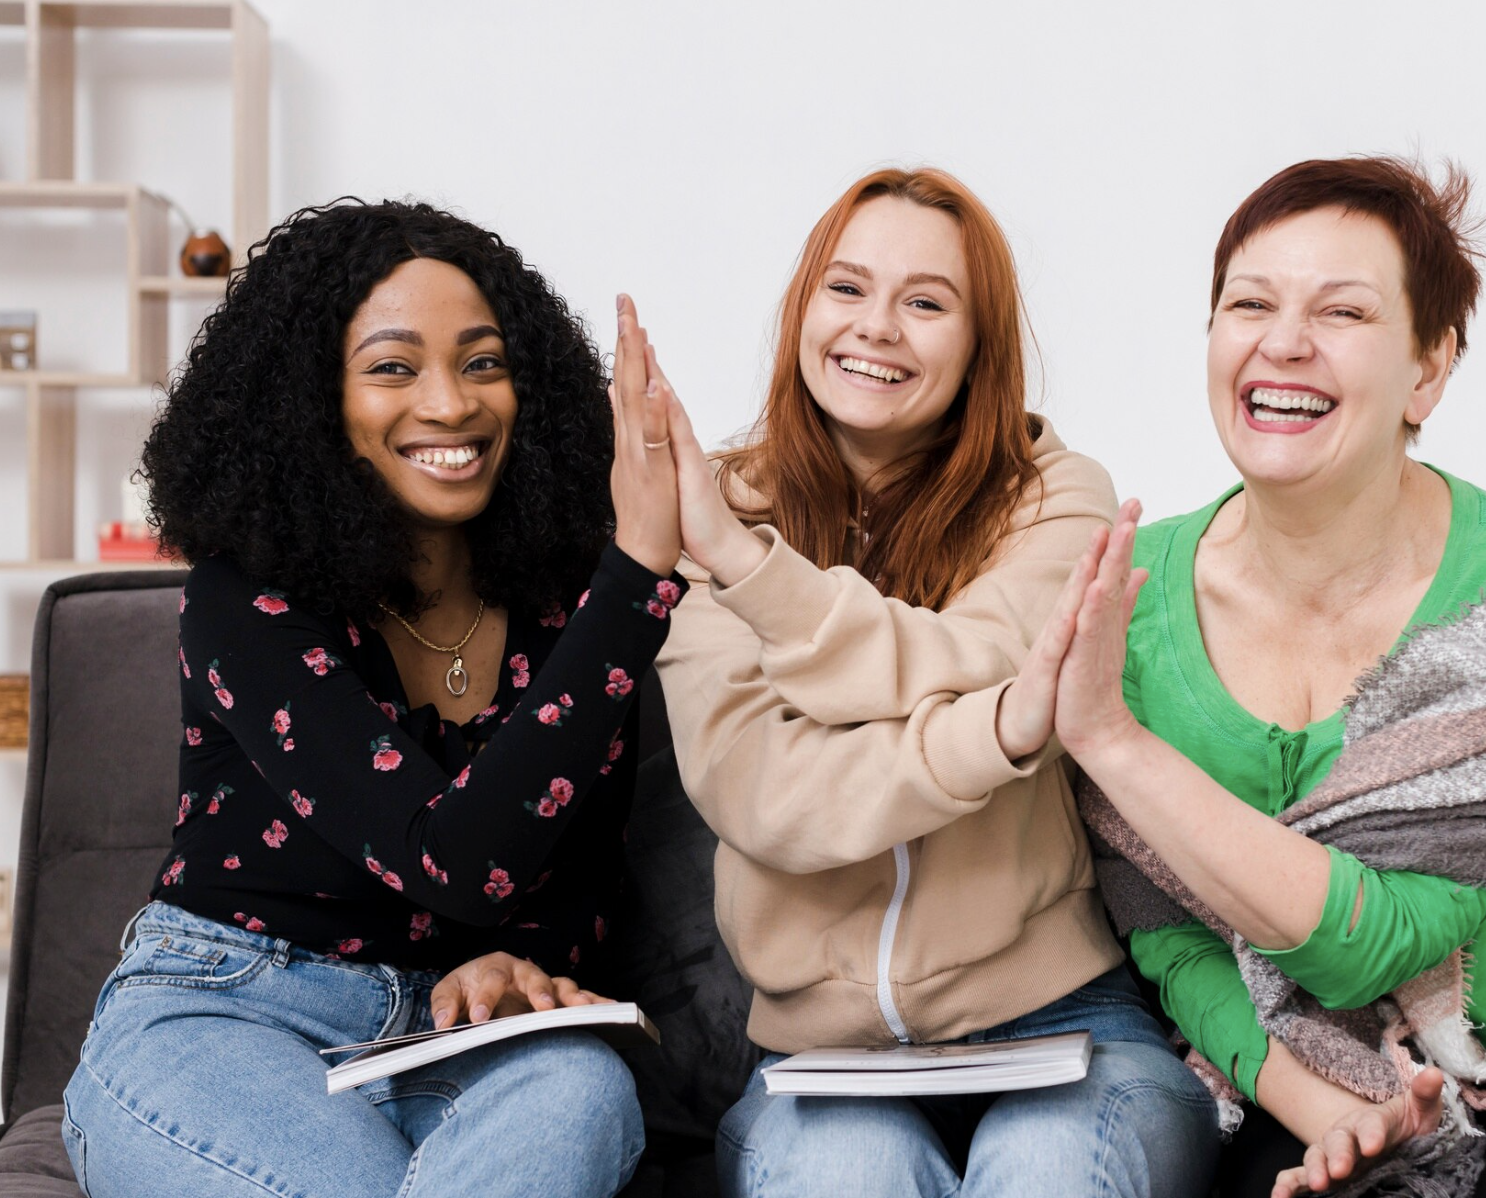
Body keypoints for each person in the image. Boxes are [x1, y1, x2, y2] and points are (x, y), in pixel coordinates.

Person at [1018, 156, 1486, 1198]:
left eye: (1340, 311)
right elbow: (1173, 941)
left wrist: (1111, 741)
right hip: (1323, 1065)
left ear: (1427, 369)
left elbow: (1376, 945)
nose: (1282, 340)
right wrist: (1328, 1111)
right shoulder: (1129, 599)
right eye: (1249, 303)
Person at [62, 200, 686, 1198]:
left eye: (483, 362)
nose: (450, 404)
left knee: (585, 1092)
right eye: (393, 367)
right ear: (313, 402)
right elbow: (452, 858)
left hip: (460, 1034)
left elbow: (584, 873)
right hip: (232, 1010)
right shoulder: (242, 600)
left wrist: (514, 960)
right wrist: (639, 573)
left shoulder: (569, 603)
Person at [638, 167, 1218, 1197]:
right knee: (845, 1177)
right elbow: (766, 793)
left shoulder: (1056, 493)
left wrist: (753, 572)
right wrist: (997, 733)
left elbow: (974, 659)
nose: (879, 328)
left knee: (1048, 1170)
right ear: (803, 309)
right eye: (847, 288)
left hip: (1068, 1023)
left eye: (926, 302)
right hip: (823, 1062)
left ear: (978, 342)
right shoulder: (711, 513)